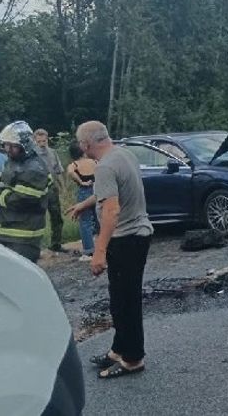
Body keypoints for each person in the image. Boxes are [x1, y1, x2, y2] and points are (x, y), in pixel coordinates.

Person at [67, 121, 153, 379]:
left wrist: (99, 251)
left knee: (126, 301)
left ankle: (133, 358)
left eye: (80, 143)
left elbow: (111, 211)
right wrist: (85, 204)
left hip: (126, 239)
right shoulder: (123, 154)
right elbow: (110, 192)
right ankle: (118, 349)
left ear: (85, 144)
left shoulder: (104, 166)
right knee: (119, 299)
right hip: (138, 235)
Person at [0, 121, 51, 262]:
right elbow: (8, 185)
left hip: (23, 235)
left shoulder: (34, 169)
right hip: (6, 229)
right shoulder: (13, 161)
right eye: (6, 144)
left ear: (25, 145)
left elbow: (22, 200)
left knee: (20, 278)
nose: (8, 149)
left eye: (13, 146)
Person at [34, 128, 66, 252]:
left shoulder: (52, 152)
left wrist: (63, 187)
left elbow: (58, 171)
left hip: (52, 187)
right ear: (35, 141)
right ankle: (36, 247)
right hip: (38, 189)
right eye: (39, 141)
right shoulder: (32, 154)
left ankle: (56, 244)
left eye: (44, 141)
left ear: (47, 140)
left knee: (56, 216)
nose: (42, 143)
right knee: (37, 218)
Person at [67, 140, 99, 262]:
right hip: (96, 190)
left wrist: (81, 182)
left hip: (83, 192)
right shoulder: (94, 162)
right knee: (98, 219)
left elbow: (70, 172)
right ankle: (103, 247)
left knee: (85, 222)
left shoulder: (75, 164)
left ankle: (89, 251)